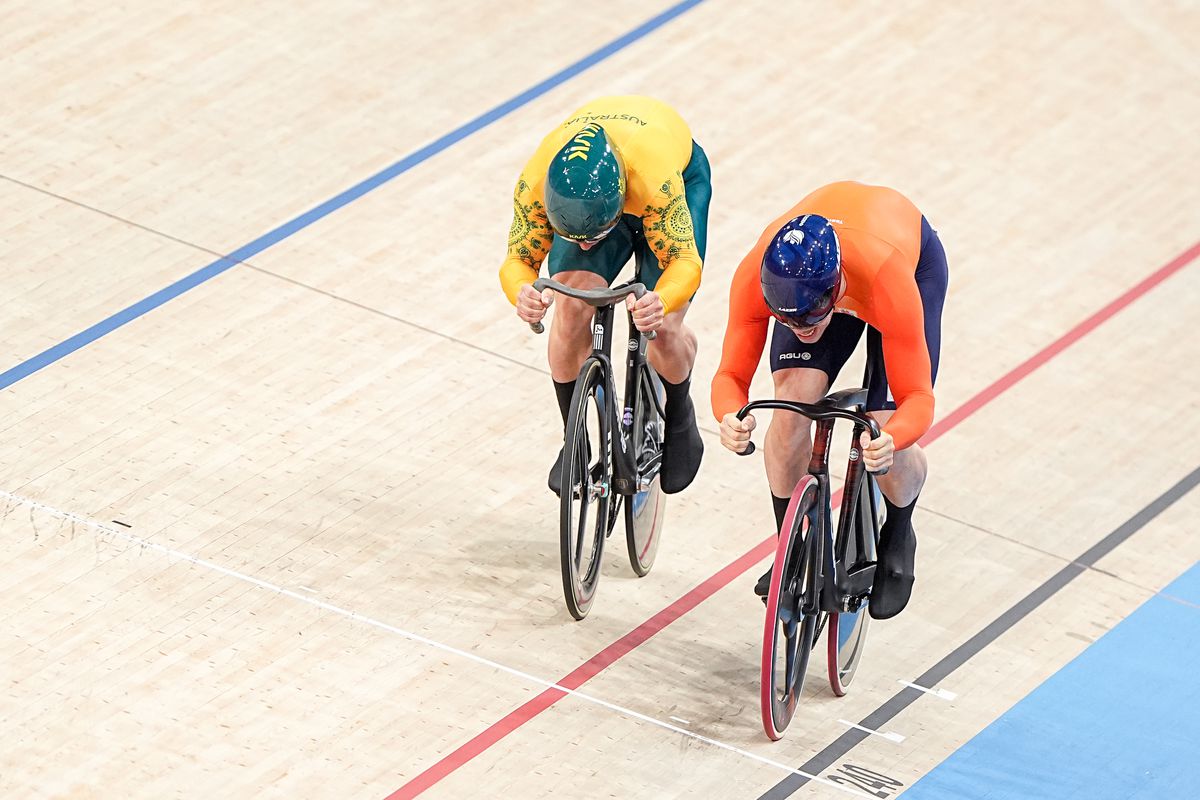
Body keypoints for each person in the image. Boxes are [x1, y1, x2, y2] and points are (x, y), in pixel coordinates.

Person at [710, 181, 948, 619]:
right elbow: (730, 374)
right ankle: (791, 547)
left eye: (810, 317)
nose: (800, 327)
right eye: (787, 319)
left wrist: (893, 437)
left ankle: (898, 530)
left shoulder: (886, 279)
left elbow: (918, 397)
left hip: (899, 266)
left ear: (834, 289)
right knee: (790, 406)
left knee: (881, 422)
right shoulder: (758, 274)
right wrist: (728, 416)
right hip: (818, 281)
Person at [499, 96, 711, 496]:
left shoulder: (657, 181)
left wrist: (661, 301)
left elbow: (686, 262)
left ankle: (680, 414)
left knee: (661, 326)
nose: (582, 247)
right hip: (598, 200)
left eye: (591, 238)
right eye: (571, 237)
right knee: (571, 305)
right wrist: (522, 291)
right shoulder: (535, 181)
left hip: (673, 178)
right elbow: (517, 261)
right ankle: (574, 438)